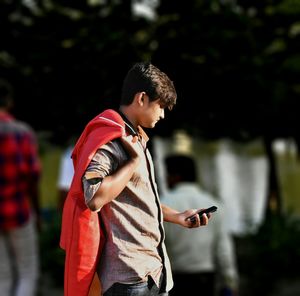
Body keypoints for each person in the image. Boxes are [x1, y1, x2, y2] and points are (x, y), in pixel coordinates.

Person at [60, 62, 212, 296]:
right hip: (129, 278)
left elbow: (138, 200)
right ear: (142, 98)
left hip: (153, 272)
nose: (162, 115)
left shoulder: (136, 138)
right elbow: (94, 197)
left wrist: (178, 217)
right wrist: (131, 163)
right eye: (160, 106)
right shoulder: (111, 138)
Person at [161, 154, 239, 296]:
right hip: (205, 280)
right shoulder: (213, 203)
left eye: (167, 174)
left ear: (175, 176)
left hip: (174, 279)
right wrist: (229, 281)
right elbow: (223, 250)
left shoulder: (163, 205)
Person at [0, 78, 41, 296]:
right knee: (27, 272)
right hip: (18, 212)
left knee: (2, 277)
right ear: (9, 102)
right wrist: (37, 211)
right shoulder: (21, 132)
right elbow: (33, 178)